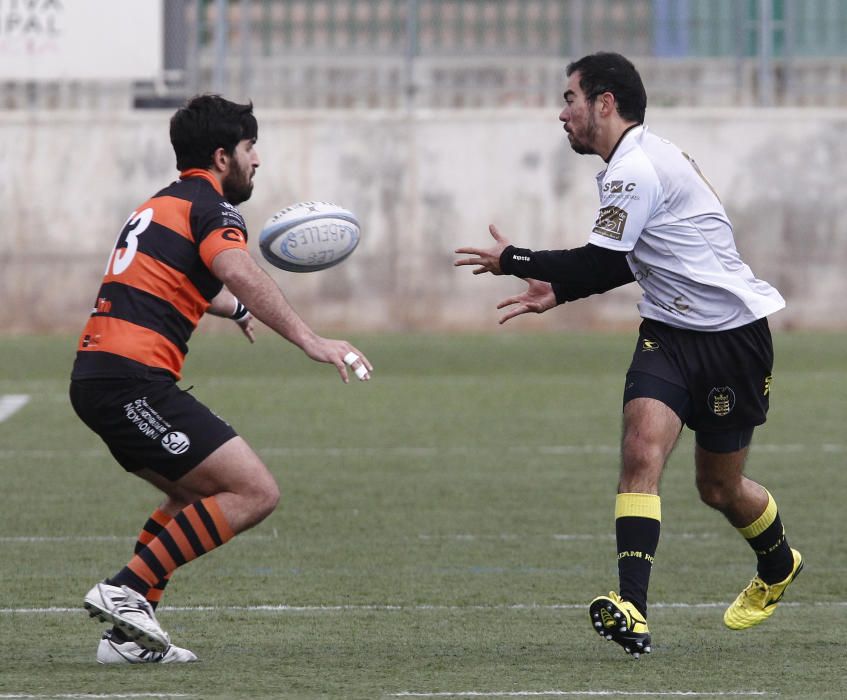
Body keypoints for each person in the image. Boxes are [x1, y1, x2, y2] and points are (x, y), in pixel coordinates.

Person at [455, 52, 802, 658]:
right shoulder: (630, 164)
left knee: (719, 488)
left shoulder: (636, 166)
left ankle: (778, 563)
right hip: (667, 332)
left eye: (570, 99)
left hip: (732, 338)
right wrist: (557, 290)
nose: (561, 113)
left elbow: (600, 259)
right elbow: (621, 259)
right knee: (641, 449)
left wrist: (515, 261)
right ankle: (632, 610)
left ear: (604, 103)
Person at [70, 94, 373, 664]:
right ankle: (127, 591)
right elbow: (236, 268)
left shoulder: (161, 204)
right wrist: (312, 339)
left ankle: (123, 640)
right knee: (256, 492)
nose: (256, 159)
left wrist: (233, 310)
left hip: (104, 377)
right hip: (128, 380)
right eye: (249, 146)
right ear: (221, 156)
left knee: (192, 494)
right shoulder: (213, 208)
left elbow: (178, 274)